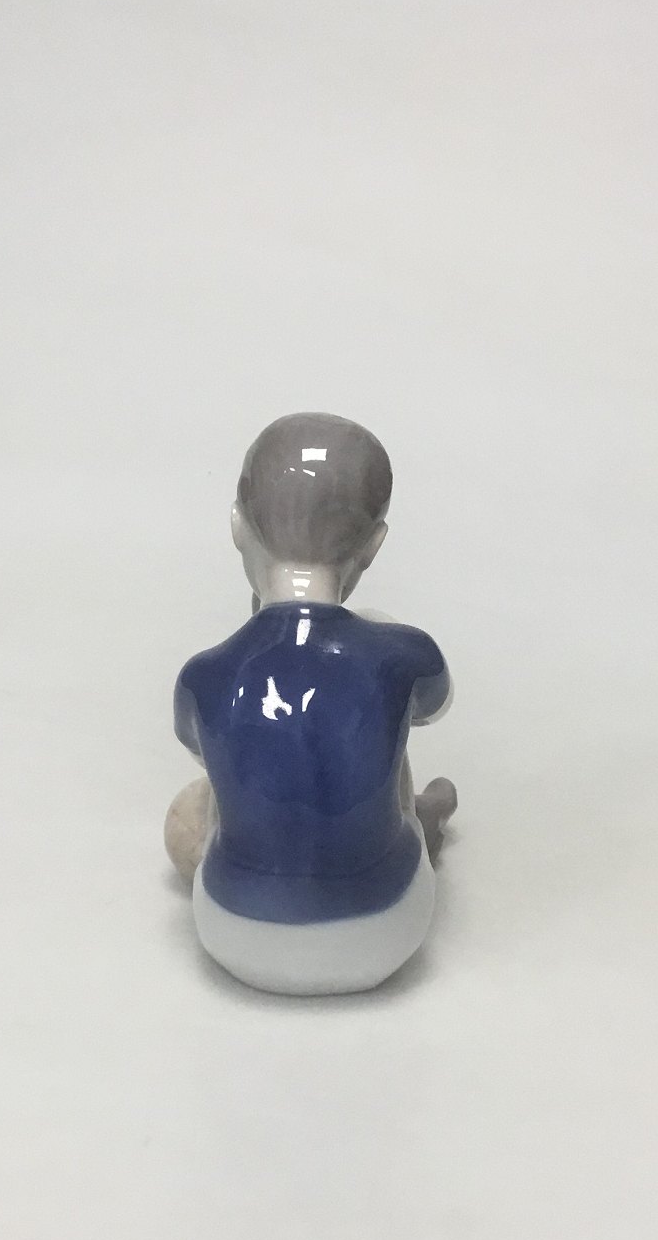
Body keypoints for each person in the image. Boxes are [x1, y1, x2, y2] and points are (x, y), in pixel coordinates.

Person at [166, 412, 456, 993]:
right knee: (378, 708)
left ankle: (269, 874)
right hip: (388, 932)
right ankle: (417, 825)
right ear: (374, 546)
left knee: (198, 802)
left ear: (235, 525)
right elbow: (433, 705)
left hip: (233, 936)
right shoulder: (406, 653)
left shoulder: (202, 677)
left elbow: (213, 758)